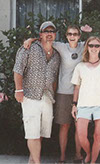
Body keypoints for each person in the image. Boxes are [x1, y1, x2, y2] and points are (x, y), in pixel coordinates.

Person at [24, 24, 92, 163]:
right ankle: (62, 157)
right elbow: (44, 38)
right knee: (64, 126)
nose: (72, 36)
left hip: (82, 93)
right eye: (69, 34)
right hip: (64, 92)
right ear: (66, 36)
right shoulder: (60, 46)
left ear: (79, 36)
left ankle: (78, 156)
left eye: (75, 34)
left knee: (79, 126)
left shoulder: (84, 46)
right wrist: (30, 40)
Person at [13, 21, 60, 163]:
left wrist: (54, 95)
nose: (49, 34)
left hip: (47, 97)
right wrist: (18, 90)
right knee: (32, 133)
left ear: (55, 34)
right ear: (40, 34)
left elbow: (55, 78)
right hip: (30, 96)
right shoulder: (29, 48)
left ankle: (32, 161)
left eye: (52, 31)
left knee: (40, 132)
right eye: (46, 31)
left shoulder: (57, 54)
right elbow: (18, 69)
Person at [71, 36, 100, 163]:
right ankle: (89, 153)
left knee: (98, 135)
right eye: (91, 46)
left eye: (97, 46)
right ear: (87, 47)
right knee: (81, 136)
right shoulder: (80, 66)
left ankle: (93, 161)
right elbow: (77, 87)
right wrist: (74, 105)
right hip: (83, 105)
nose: (94, 48)